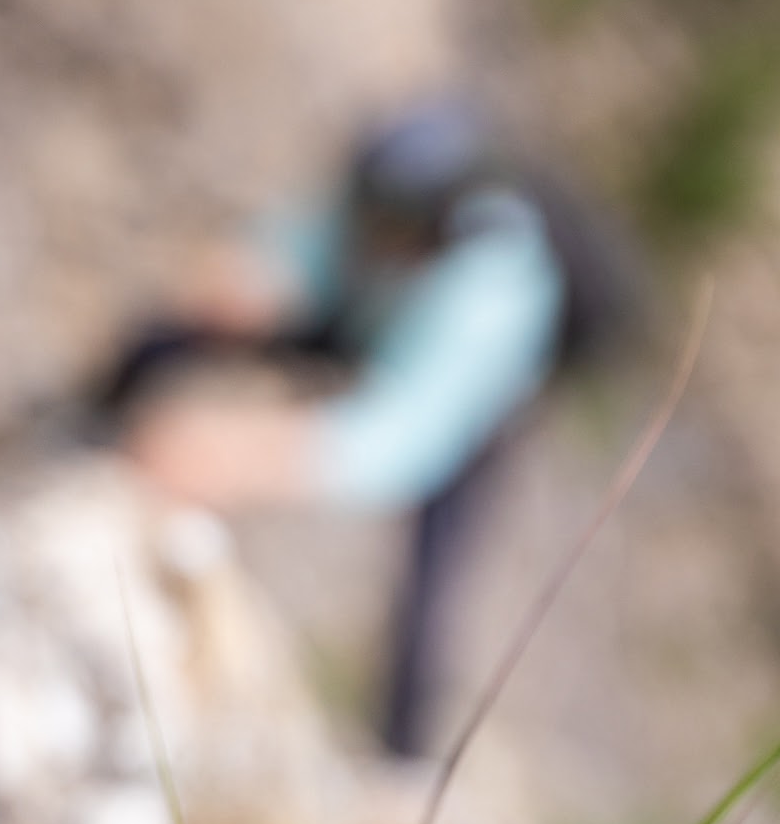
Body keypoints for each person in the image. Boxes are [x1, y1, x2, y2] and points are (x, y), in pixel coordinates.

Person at [87, 98, 635, 754]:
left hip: (463, 405)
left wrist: (244, 453)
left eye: (391, 229)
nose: (375, 231)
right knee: (172, 339)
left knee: (431, 584)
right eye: (370, 217)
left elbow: (398, 440)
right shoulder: (380, 199)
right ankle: (83, 432)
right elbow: (297, 250)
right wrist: (243, 282)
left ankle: (400, 760)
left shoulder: (493, 296)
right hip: (368, 319)